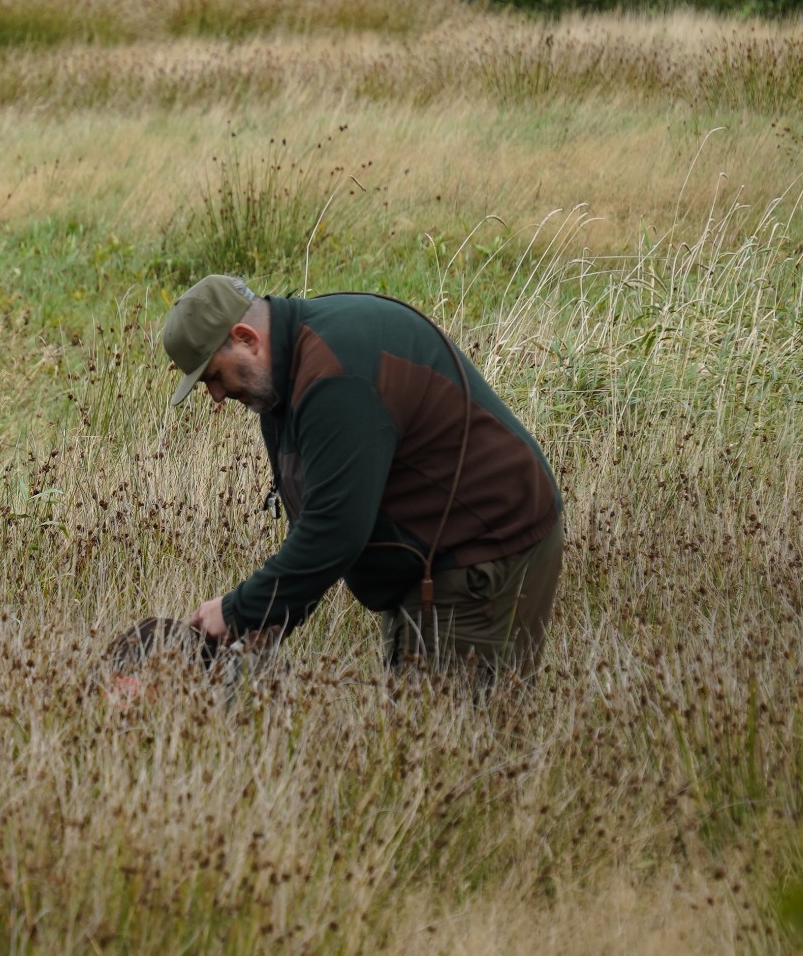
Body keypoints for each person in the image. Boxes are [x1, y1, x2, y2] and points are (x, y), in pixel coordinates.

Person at [162, 274, 562, 680]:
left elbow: (336, 530)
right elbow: (315, 519)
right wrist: (264, 622)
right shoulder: (283, 382)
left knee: (449, 714)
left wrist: (239, 611)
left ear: (247, 338)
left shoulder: (335, 377)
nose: (216, 395)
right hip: (429, 555)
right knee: (414, 703)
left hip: (485, 551)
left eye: (214, 376)